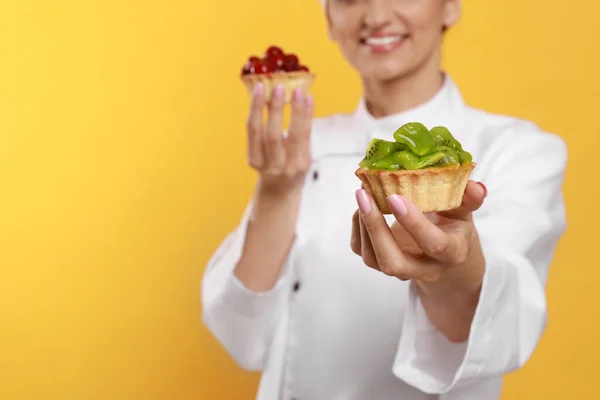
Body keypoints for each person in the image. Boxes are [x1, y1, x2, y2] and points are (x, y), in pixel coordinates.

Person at [201, 0, 568, 399]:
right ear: (328, 18)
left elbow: (492, 329)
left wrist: (447, 268)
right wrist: (277, 191)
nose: (375, 16)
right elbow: (242, 336)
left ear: (450, 7)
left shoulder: (518, 151)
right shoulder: (300, 149)